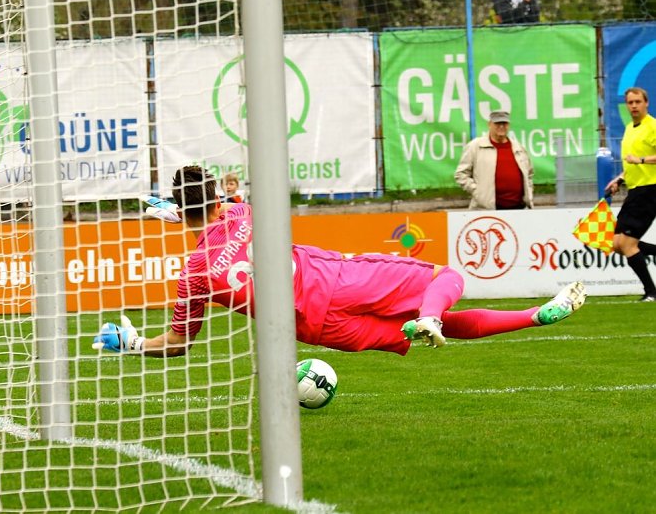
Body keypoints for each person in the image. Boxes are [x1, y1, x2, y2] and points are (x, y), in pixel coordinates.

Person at [94, 165, 586, 357]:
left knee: (431, 328)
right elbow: (229, 206)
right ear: (216, 198)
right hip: (339, 279)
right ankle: (439, 316)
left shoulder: (193, 276)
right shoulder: (243, 211)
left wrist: (134, 343)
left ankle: (531, 315)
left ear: (182, 210)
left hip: (316, 327)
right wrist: (189, 207)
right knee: (446, 278)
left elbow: (179, 344)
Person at [604, 86, 656, 302]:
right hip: (635, 191)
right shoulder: (629, 128)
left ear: (646, 103)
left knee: (626, 244)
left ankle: (651, 292)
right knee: (615, 243)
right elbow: (631, 162)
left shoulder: (652, 126)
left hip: (650, 190)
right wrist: (620, 179)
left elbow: (640, 159)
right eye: (630, 102)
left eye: (637, 102)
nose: (633, 106)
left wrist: (642, 160)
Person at [454, 110, 534, 210]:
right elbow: (461, 174)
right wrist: (478, 191)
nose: (501, 126)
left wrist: (528, 193)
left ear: (508, 125)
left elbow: (529, 174)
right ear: (489, 124)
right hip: (487, 210)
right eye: (497, 123)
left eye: (504, 123)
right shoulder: (476, 146)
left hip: (518, 209)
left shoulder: (518, 147)